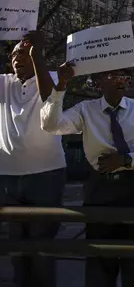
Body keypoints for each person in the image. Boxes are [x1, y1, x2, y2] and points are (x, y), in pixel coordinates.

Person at [39, 63, 134, 287]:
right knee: (99, 262)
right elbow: (50, 125)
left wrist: (127, 160)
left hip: (132, 187)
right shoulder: (86, 110)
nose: (121, 80)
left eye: (125, 76)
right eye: (114, 75)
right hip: (99, 189)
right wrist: (61, 86)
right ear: (99, 82)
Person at [0, 32, 66, 287]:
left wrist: (35, 53)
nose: (18, 57)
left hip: (46, 176)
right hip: (9, 179)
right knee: (18, 251)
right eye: (15, 53)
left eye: (24, 52)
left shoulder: (54, 79)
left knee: (41, 250)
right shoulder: (4, 83)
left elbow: (49, 97)